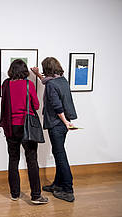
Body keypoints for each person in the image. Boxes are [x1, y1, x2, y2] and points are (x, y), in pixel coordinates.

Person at [0, 59, 49, 204]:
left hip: (10, 127)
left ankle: (14, 194)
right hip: (27, 127)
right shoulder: (28, 84)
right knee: (32, 160)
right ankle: (36, 196)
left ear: (11, 70)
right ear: (24, 70)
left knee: (13, 160)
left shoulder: (6, 84)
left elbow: (4, 104)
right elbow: (37, 105)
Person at [31, 57, 77, 202]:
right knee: (58, 153)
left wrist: (64, 122)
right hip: (63, 124)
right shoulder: (62, 80)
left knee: (60, 155)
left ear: (47, 69)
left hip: (57, 124)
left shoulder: (52, 84)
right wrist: (38, 75)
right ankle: (57, 185)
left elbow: (57, 106)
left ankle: (68, 190)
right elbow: (47, 82)